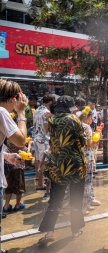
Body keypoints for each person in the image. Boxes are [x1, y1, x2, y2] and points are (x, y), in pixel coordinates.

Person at [38, 95, 87, 246]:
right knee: (76, 199)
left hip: (58, 166)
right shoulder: (75, 120)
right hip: (76, 166)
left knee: (55, 200)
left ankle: (49, 233)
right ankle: (76, 229)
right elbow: (83, 142)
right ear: (70, 106)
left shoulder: (51, 120)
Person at [0, 79, 28, 253]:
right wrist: (21, 114)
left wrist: (5, 155)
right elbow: (20, 140)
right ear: (14, 98)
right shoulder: (1, 111)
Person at [78, 109, 101, 214]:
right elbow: (89, 144)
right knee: (87, 182)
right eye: (91, 117)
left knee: (82, 181)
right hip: (87, 156)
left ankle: (87, 202)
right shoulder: (86, 127)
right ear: (87, 117)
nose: (92, 119)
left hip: (79, 156)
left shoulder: (77, 125)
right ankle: (84, 207)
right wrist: (97, 137)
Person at [33, 94, 56, 190]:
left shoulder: (37, 110)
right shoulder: (47, 112)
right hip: (44, 139)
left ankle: (40, 182)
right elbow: (46, 127)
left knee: (38, 161)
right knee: (44, 162)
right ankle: (43, 184)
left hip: (36, 137)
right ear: (50, 102)